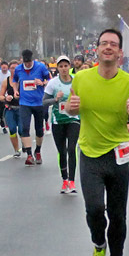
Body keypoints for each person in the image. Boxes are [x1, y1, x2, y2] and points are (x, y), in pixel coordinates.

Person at [66, 27, 129, 256]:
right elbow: (70, 109)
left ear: (120, 52)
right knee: (94, 209)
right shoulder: (81, 79)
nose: (108, 47)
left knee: (117, 214)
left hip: (118, 156)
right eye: (104, 43)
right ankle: (99, 245)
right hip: (90, 153)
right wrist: (69, 108)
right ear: (97, 49)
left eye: (113, 44)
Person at [42, 55, 78, 194]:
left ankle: (72, 181)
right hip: (58, 120)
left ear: (70, 67)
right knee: (62, 151)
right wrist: (55, 99)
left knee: (71, 148)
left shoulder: (76, 81)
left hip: (74, 118)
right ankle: (64, 180)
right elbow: (44, 101)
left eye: (66, 66)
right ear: (57, 68)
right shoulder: (53, 83)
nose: (64, 69)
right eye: (61, 66)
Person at [12, 49, 50, 166]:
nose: (27, 65)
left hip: (38, 102)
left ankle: (37, 151)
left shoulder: (40, 67)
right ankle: (29, 154)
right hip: (24, 103)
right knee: (25, 128)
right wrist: (15, 90)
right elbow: (14, 81)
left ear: (32, 60)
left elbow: (49, 79)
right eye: (25, 63)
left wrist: (42, 83)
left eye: (29, 63)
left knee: (39, 129)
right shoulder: (18, 69)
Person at [0, 62, 23, 157]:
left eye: (16, 68)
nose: (14, 70)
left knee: (21, 130)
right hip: (10, 108)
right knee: (12, 129)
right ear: (9, 69)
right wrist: (5, 98)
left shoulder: (22, 80)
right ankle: (16, 150)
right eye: (12, 68)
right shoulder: (6, 81)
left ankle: (25, 143)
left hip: (21, 109)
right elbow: (0, 96)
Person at [0, 60, 12, 134]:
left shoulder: (10, 74)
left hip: (8, 95)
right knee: (0, 111)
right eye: (2, 66)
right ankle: (1, 120)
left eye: (5, 66)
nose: (4, 67)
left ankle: (5, 124)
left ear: (7, 67)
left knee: (7, 109)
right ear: (0, 67)